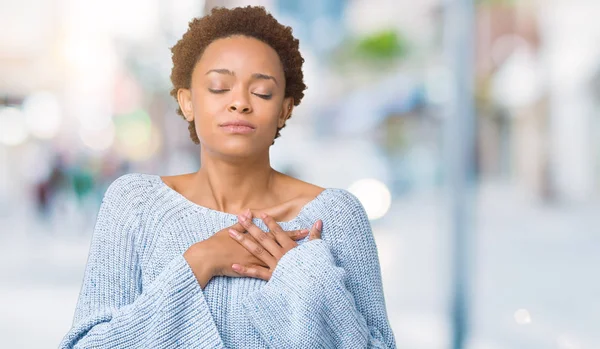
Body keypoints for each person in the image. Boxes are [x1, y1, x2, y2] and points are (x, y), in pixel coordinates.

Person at [59, 6, 397, 349]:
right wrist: (200, 262)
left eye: (262, 92)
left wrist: (303, 276)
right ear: (187, 102)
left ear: (284, 109)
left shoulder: (336, 215)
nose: (240, 103)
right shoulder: (135, 204)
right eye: (219, 87)